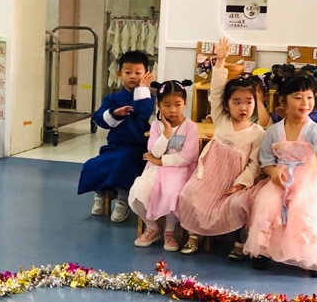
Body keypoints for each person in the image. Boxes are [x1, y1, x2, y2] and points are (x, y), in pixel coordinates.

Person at [244, 73, 317, 276]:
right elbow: (266, 161)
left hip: (309, 180)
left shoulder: (316, 131)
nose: (305, 103)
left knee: (303, 208)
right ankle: (264, 250)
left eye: (309, 97)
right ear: (283, 101)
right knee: (268, 204)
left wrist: (310, 170)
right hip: (281, 179)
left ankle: (312, 256)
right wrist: (273, 171)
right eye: (298, 97)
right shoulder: (273, 131)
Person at [176, 38, 266, 258]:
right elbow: (215, 91)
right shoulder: (221, 118)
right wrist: (221, 61)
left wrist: (241, 182)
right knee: (190, 194)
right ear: (227, 105)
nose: (243, 107)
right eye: (236, 102)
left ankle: (238, 244)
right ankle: (194, 236)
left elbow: (254, 163)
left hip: (235, 180)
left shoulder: (258, 132)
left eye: (248, 102)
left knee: (239, 204)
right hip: (210, 176)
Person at [79, 50, 155, 223]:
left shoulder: (147, 96)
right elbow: (100, 118)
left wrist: (143, 88)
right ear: (120, 74)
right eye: (128, 72)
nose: (133, 76)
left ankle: (123, 198)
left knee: (122, 161)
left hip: (136, 148)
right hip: (115, 146)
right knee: (93, 164)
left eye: (138, 73)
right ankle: (99, 193)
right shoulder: (112, 98)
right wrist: (114, 113)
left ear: (145, 74)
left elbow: (142, 112)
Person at [128, 81, 200, 251]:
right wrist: (166, 133)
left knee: (173, 193)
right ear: (159, 105)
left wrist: (161, 161)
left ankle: (170, 230)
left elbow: (187, 157)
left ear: (185, 104)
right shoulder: (156, 125)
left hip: (180, 171)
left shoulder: (190, 127)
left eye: (178, 104)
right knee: (138, 191)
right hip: (154, 171)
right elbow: (154, 151)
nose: (173, 110)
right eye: (167, 105)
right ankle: (152, 227)